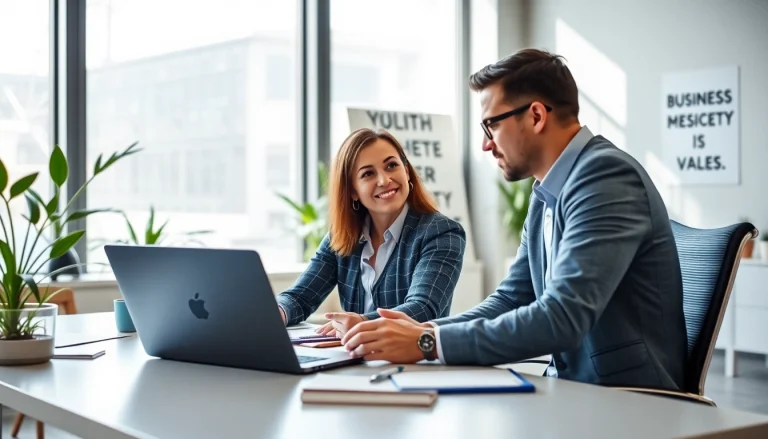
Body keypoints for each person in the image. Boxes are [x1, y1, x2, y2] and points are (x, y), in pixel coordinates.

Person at [340, 48, 687, 390]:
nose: (485, 145)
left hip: (630, 401)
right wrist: (425, 333)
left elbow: (562, 317)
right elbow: (510, 298)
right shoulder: (546, 191)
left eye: (491, 125)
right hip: (576, 392)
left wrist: (427, 344)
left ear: (536, 116)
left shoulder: (605, 176)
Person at [276, 127, 466, 339]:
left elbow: (422, 309)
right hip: (353, 360)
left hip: (414, 365)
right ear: (353, 191)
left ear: (406, 170)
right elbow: (300, 297)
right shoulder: (342, 237)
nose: (384, 180)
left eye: (392, 165)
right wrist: (277, 313)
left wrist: (362, 322)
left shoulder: (441, 232)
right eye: (368, 174)